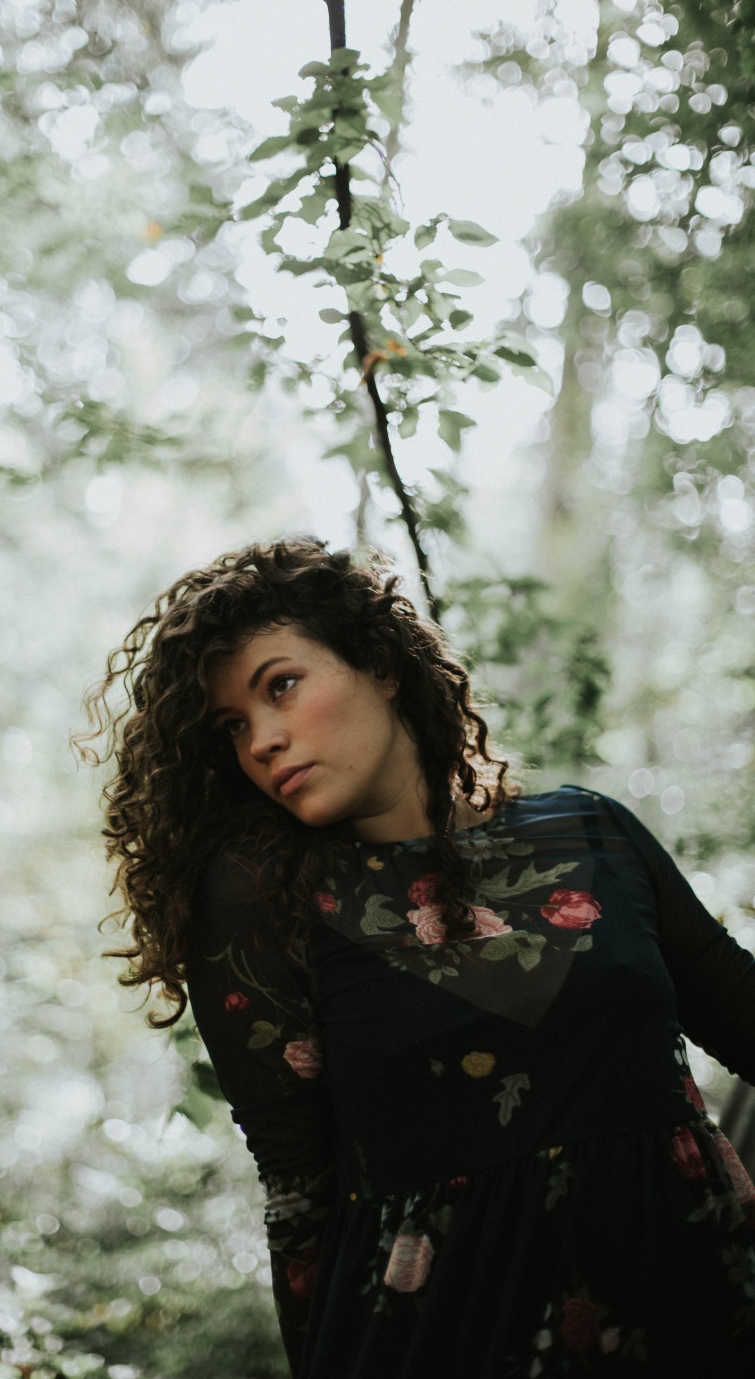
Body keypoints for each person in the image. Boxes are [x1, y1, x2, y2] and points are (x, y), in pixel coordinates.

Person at [83, 538, 755, 1378]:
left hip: (694, 1314)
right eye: (233, 726)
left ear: (380, 665)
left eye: (279, 686)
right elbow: (298, 1201)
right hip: (439, 1340)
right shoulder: (260, 903)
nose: (261, 741)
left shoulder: (593, 830)